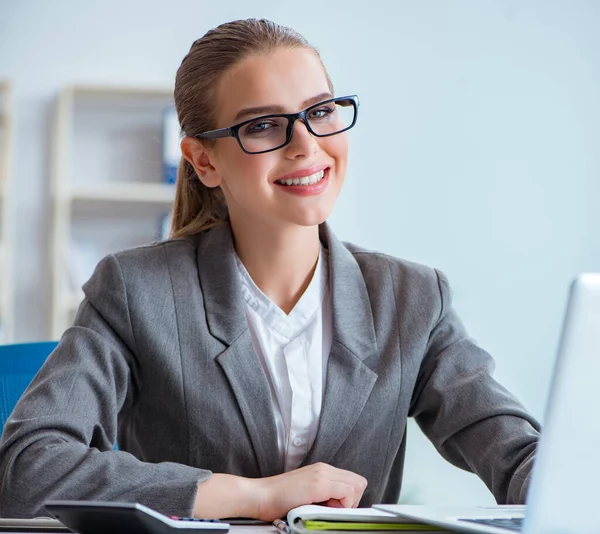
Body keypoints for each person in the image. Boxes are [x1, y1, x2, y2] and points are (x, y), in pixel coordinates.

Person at [0, 18, 539, 521]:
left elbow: (517, 454)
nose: (306, 146)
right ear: (204, 161)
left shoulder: (413, 297)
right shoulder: (134, 289)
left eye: (321, 111)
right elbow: (27, 468)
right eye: (262, 125)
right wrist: (255, 495)